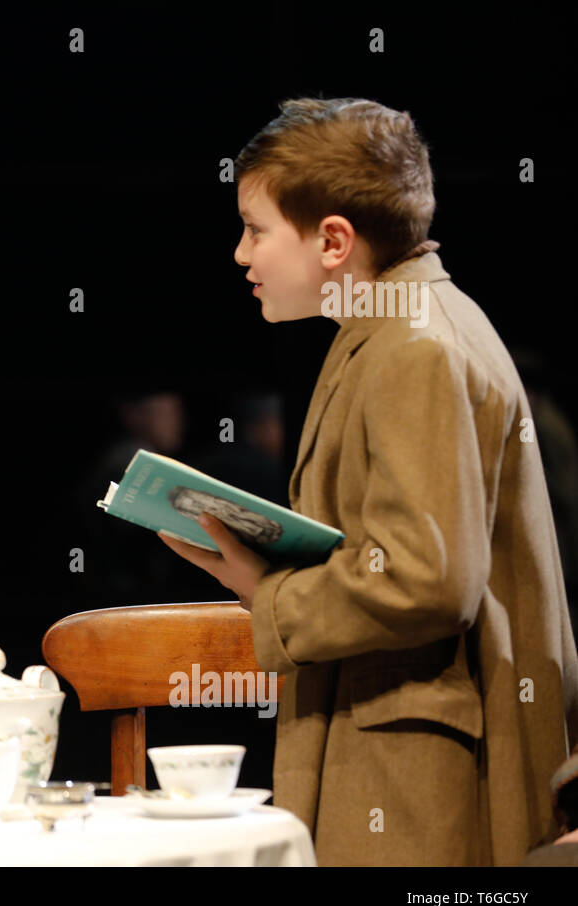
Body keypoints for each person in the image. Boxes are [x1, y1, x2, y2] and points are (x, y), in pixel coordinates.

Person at [157, 98, 578, 865]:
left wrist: (271, 594)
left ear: (334, 241)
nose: (241, 255)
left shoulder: (413, 345)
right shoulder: (393, 326)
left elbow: (428, 578)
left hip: (420, 781)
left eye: (256, 229)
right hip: (399, 749)